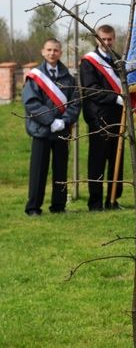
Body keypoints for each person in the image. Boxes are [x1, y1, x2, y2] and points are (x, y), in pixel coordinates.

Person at [23, 38, 81, 216]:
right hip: (41, 130)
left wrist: (64, 121)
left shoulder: (68, 77)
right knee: (38, 171)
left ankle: (59, 205)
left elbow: (75, 102)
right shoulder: (35, 76)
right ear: (43, 51)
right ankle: (33, 208)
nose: (52, 53)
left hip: (62, 130)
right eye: (48, 50)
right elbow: (31, 103)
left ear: (60, 53)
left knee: (60, 169)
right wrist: (50, 121)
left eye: (55, 50)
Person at [80, 24, 124, 211]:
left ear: (114, 39)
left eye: (110, 39)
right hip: (98, 118)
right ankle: (95, 202)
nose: (106, 42)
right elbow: (91, 90)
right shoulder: (88, 62)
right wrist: (115, 97)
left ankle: (113, 199)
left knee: (117, 159)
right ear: (96, 39)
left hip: (119, 118)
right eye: (103, 39)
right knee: (97, 161)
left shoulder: (119, 60)